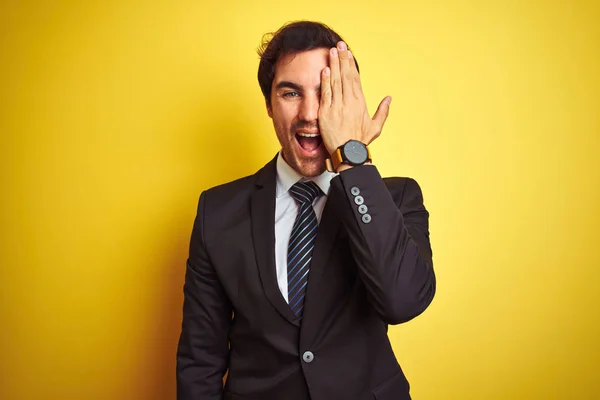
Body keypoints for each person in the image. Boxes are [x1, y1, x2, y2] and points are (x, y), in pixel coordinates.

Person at [176, 20, 436, 400]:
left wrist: (351, 159)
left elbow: (403, 300)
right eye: (290, 93)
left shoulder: (395, 198)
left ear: (350, 104)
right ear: (268, 104)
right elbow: (200, 360)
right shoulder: (216, 211)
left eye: (326, 93)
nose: (311, 113)